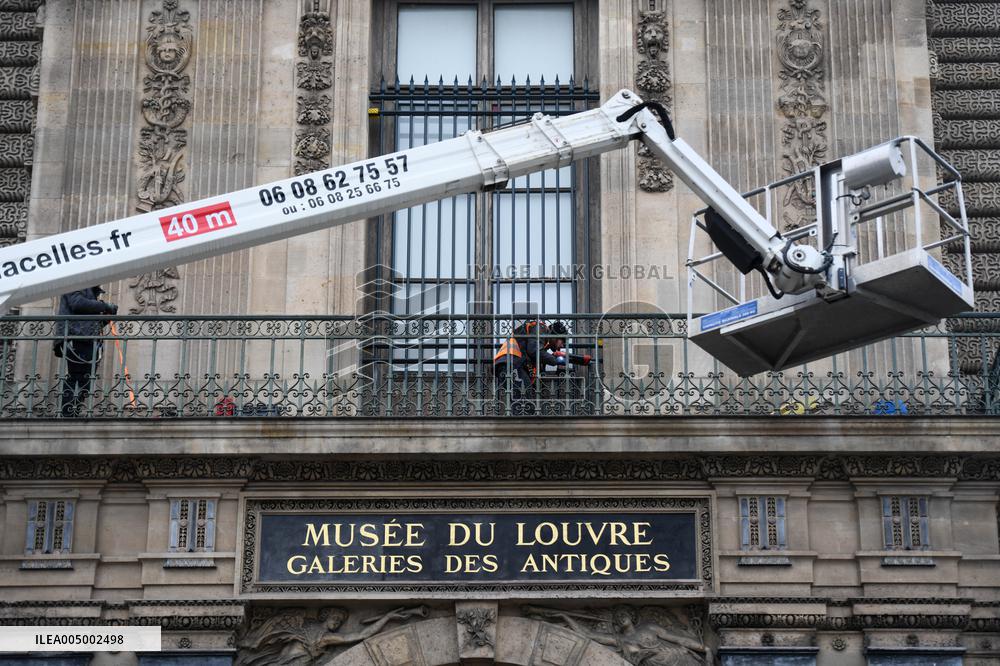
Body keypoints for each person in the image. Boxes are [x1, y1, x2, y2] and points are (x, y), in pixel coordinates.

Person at [54, 286, 117, 417]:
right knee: (77, 377)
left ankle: (72, 411)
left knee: (85, 379)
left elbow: (90, 322)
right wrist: (104, 306)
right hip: (76, 337)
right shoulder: (78, 280)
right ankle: (67, 413)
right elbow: (76, 303)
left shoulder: (88, 288)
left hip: (85, 337)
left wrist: (107, 316)